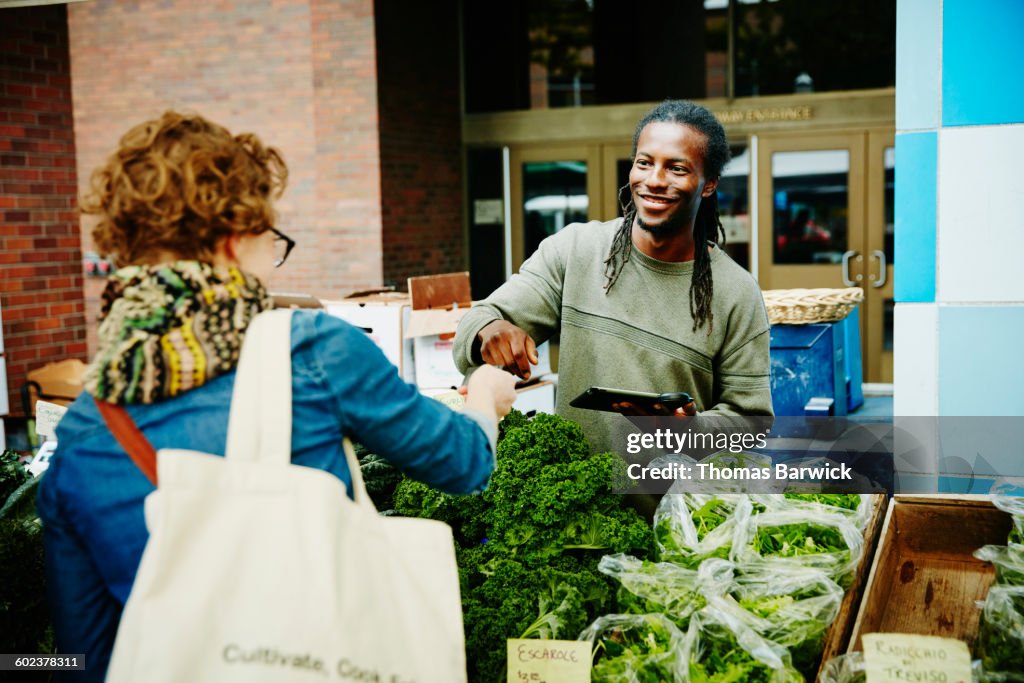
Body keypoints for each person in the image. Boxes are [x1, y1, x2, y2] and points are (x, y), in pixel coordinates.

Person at [36, 111, 517, 682]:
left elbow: (80, 657)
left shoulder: (84, 427)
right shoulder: (310, 352)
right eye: (273, 239)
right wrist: (485, 396)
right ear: (234, 240)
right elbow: (463, 464)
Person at [453, 100, 772, 455]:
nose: (654, 180)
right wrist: (490, 331)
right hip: (577, 500)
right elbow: (477, 321)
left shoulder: (737, 293)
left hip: (672, 506)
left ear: (708, 184)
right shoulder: (575, 250)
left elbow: (751, 423)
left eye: (677, 169)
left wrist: (690, 430)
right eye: (644, 163)